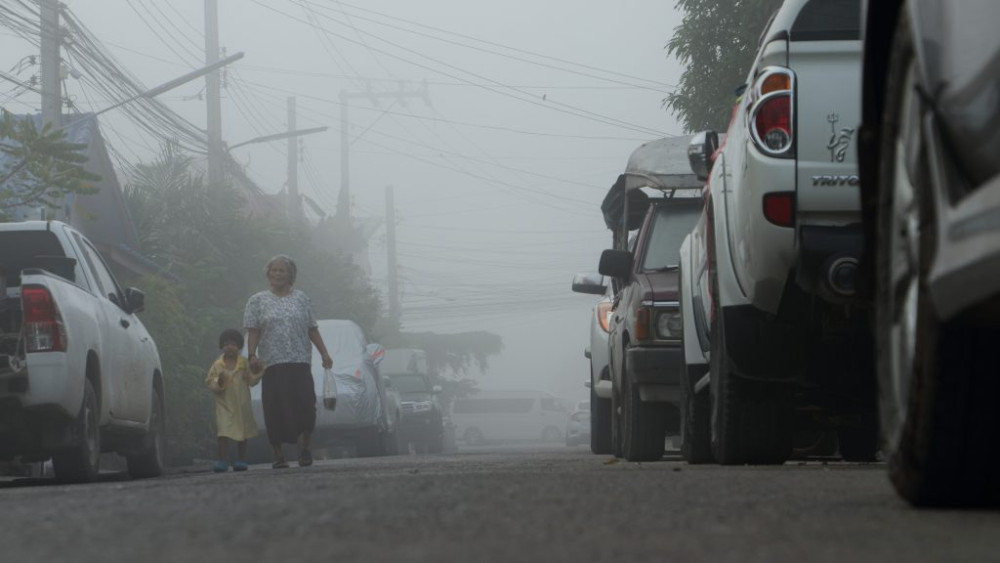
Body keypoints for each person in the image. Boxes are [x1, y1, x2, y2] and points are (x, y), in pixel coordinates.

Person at [244, 254, 333, 469]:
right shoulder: (257, 301)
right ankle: (278, 455)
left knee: (306, 406)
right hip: (272, 364)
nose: (277, 274)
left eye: (281, 270)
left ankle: (304, 450)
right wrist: (252, 355)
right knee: (274, 408)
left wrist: (324, 353)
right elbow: (253, 330)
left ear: (290, 274)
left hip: (300, 361)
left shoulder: (301, 298)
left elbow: (312, 328)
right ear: (268, 274)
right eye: (273, 270)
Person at [205, 328, 263, 473]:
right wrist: (219, 382)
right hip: (224, 405)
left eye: (232, 344)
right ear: (221, 346)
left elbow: (252, 380)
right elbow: (210, 381)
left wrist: (258, 371)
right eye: (225, 344)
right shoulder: (218, 365)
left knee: (242, 434)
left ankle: (241, 459)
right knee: (223, 433)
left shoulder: (244, 364)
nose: (229, 347)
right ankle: (222, 460)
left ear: (239, 346)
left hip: (241, 404)